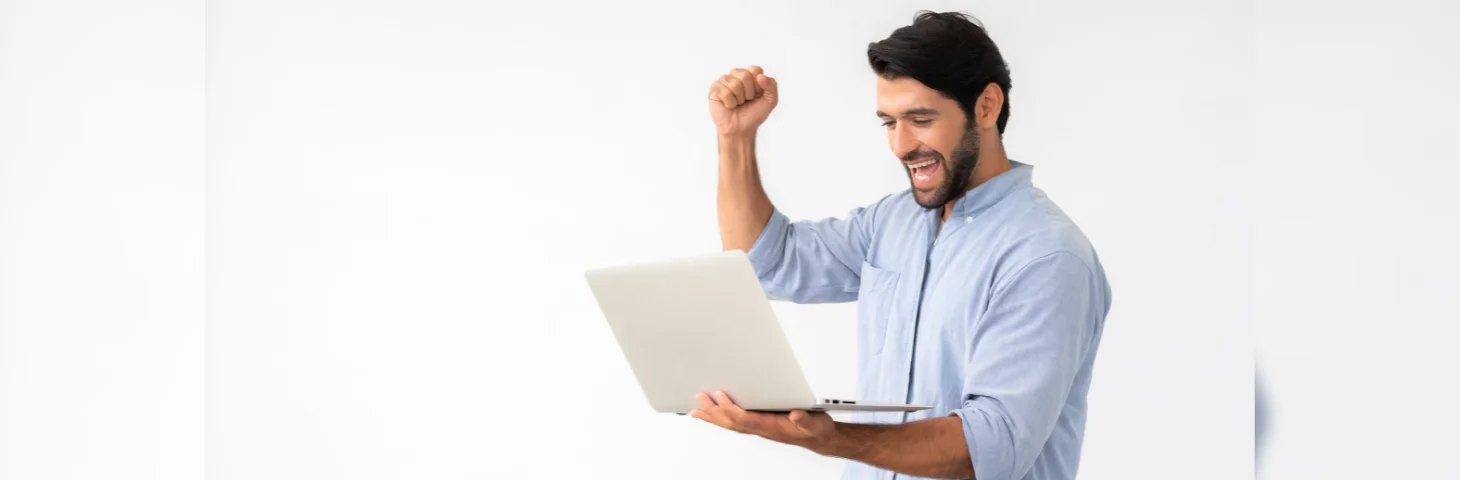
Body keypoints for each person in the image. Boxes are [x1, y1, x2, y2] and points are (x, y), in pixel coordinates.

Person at [689, 11, 1112, 480]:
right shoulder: (894, 222)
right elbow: (768, 263)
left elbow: (990, 447)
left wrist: (833, 439)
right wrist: (735, 137)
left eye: (921, 119)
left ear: (987, 106)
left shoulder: (1046, 257)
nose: (900, 145)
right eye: (889, 122)